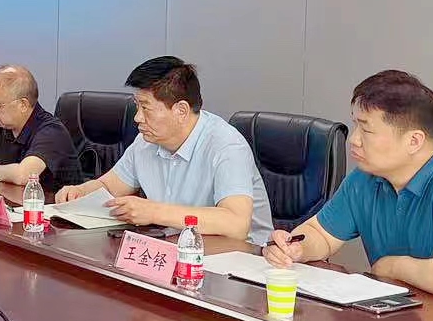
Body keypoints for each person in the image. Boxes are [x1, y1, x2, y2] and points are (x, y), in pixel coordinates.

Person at [262, 70, 433, 309]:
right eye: (355, 125)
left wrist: (391, 266)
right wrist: (296, 248)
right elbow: (321, 233)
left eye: (366, 130)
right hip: (407, 320)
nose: (354, 139)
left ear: (414, 141)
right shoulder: (365, 178)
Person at [56, 57, 273, 244]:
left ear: (181, 110)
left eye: (146, 108)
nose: (137, 117)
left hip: (239, 259)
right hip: (176, 246)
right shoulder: (146, 141)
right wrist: (81, 192)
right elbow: (110, 186)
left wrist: (153, 211)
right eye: (137, 106)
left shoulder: (226, 146)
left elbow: (236, 224)